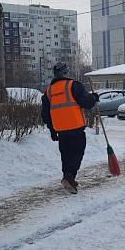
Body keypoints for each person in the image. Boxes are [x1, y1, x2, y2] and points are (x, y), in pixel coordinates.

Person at [41, 62, 99, 194]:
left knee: (66, 154)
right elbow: (87, 103)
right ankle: (69, 176)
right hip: (75, 126)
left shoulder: (49, 91)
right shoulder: (73, 85)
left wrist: (52, 130)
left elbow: (45, 113)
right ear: (66, 72)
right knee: (77, 152)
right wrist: (94, 98)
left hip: (60, 129)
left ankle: (68, 177)